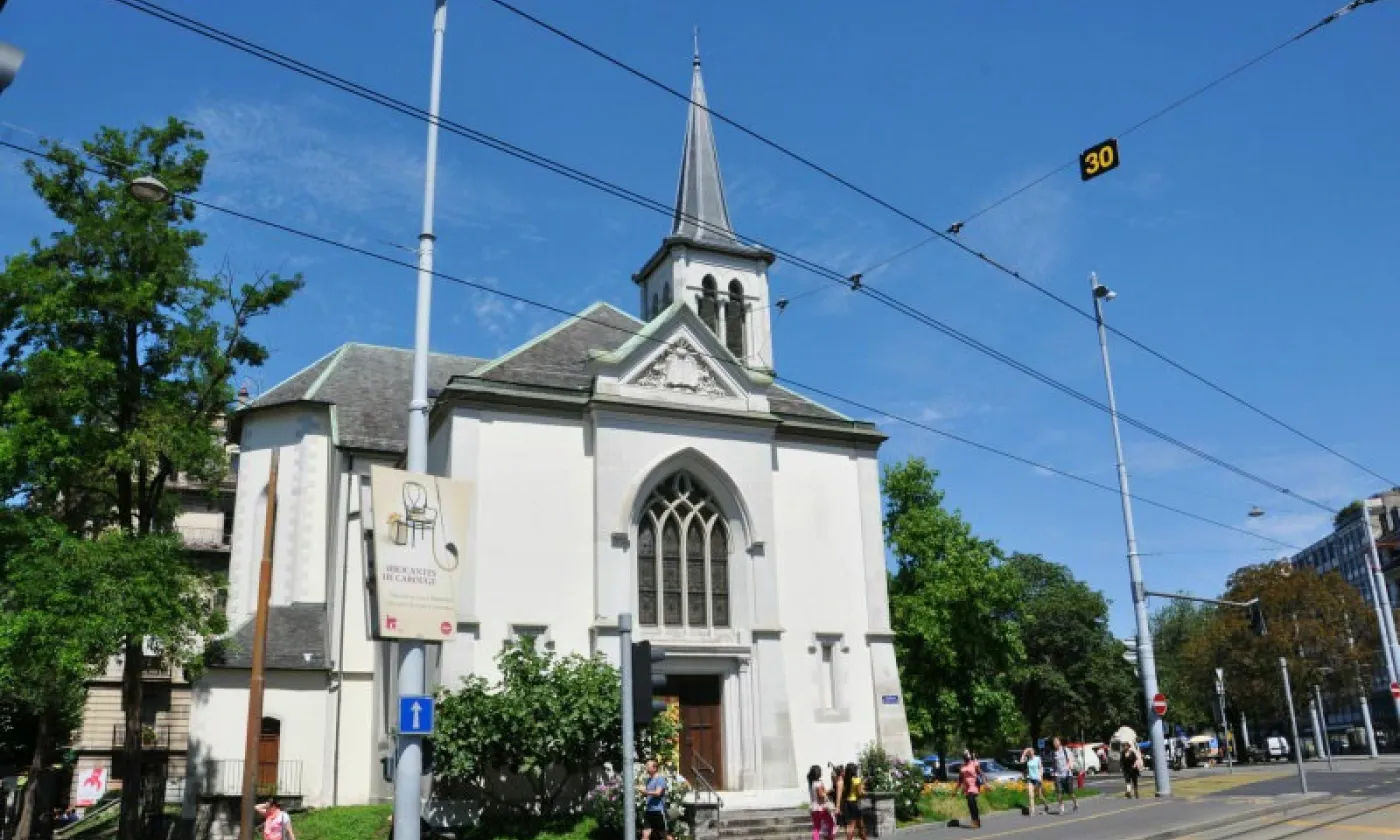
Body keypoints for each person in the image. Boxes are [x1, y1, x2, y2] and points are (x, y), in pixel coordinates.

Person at [641, 760, 673, 840]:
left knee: (664, 835)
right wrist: (642, 792)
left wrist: (645, 791)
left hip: (658, 811)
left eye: (648, 766)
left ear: (654, 768)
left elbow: (658, 792)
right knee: (645, 835)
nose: (646, 768)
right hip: (649, 811)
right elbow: (648, 794)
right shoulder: (649, 780)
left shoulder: (660, 779)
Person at [1050, 737, 1078, 815]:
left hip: (1067, 774)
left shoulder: (1065, 750)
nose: (1055, 743)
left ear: (1059, 742)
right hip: (1058, 775)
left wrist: (1070, 765)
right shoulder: (1053, 753)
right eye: (1054, 742)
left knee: (1070, 793)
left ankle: (1075, 803)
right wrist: (1053, 773)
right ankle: (1061, 808)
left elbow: (1072, 759)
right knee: (1059, 793)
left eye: (1056, 741)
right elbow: (1053, 764)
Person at [955, 749, 982, 829]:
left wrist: (986, 784)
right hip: (967, 788)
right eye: (964, 756)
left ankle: (974, 821)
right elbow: (960, 780)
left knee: (971, 801)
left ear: (969, 756)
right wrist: (955, 791)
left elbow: (981, 773)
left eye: (967, 755)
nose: (966, 757)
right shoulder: (962, 767)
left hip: (974, 786)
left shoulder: (974, 764)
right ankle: (977, 820)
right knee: (971, 805)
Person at [808, 765, 836, 840]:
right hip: (821, 808)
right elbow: (821, 795)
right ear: (818, 772)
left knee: (816, 827)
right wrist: (829, 791)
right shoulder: (818, 783)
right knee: (831, 823)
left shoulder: (812, 783)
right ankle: (829, 837)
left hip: (814, 808)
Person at [841, 763, 866, 840]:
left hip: (846, 803)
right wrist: (863, 789)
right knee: (860, 826)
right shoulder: (857, 780)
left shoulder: (845, 780)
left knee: (852, 826)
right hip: (854, 803)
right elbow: (859, 794)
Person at [1021, 747, 1045, 816]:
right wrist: (1024, 752)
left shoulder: (1038, 758)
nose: (1031, 752)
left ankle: (1046, 805)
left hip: (1037, 779)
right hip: (1030, 779)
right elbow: (1021, 761)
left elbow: (1041, 768)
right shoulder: (1027, 759)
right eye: (1029, 751)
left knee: (1040, 796)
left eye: (1032, 751)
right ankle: (1032, 811)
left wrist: (1041, 777)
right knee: (1030, 795)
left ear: (1034, 752)